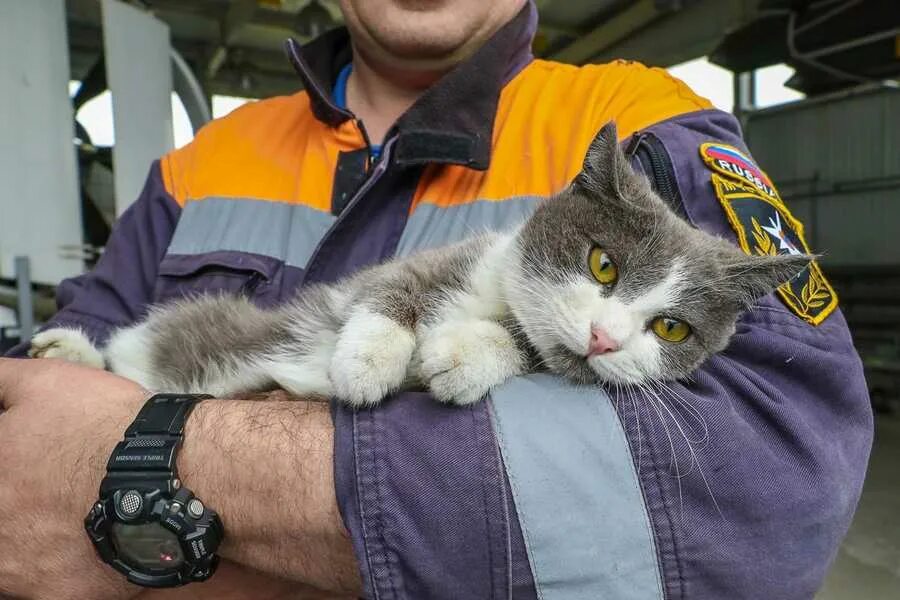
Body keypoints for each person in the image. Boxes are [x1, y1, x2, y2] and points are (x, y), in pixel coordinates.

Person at [0, 0, 872, 598]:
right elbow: (46, 389)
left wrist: (159, 479)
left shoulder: (633, 119)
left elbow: (779, 483)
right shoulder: (207, 156)